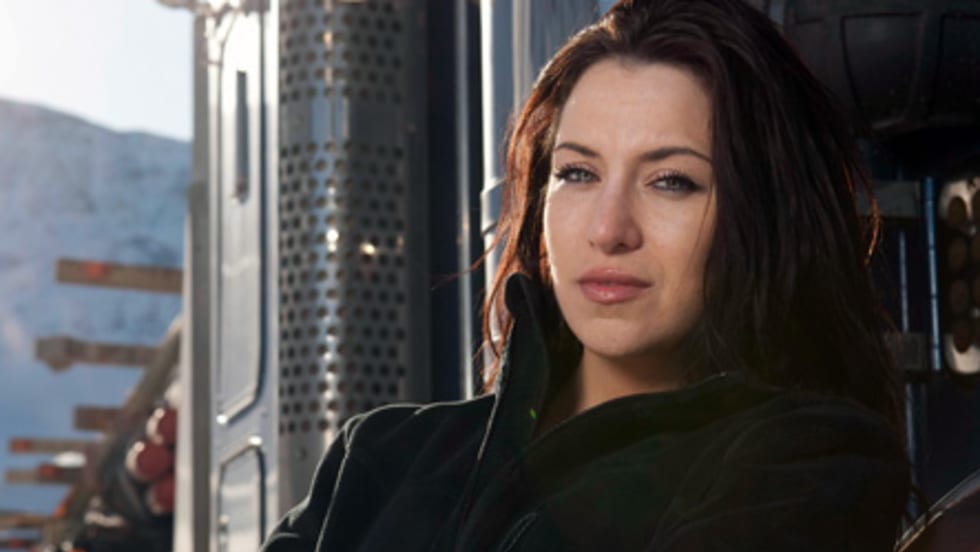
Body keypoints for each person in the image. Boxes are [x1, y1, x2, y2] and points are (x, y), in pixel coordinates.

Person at [261, 0, 911, 550]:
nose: (608, 228)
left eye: (671, 181)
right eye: (577, 173)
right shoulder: (379, 458)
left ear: (762, 213)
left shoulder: (812, 465)